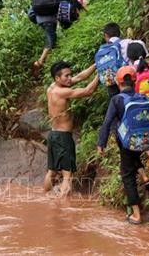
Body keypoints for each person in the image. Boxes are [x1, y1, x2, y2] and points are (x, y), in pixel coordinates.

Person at [96, 66, 149, 224]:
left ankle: (136, 215)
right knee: (133, 160)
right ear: (135, 81)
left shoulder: (117, 99)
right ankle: (146, 178)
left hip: (126, 142)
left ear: (119, 84)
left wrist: (101, 143)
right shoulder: (144, 98)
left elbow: (107, 123)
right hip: (144, 140)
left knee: (127, 176)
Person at [44, 61, 98, 197]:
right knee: (68, 175)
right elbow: (88, 91)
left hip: (53, 135)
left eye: (70, 75)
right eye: (66, 76)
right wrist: (102, 74)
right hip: (63, 137)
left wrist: (97, 64)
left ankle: (44, 197)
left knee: (51, 171)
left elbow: (80, 77)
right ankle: (63, 208)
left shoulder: (52, 88)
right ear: (57, 78)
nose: (70, 78)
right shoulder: (62, 92)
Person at [32, 0, 59, 73]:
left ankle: (49, 62)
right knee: (50, 41)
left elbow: (31, 10)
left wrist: (35, 20)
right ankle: (39, 62)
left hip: (40, 20)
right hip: (50, 19)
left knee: (52, 37)